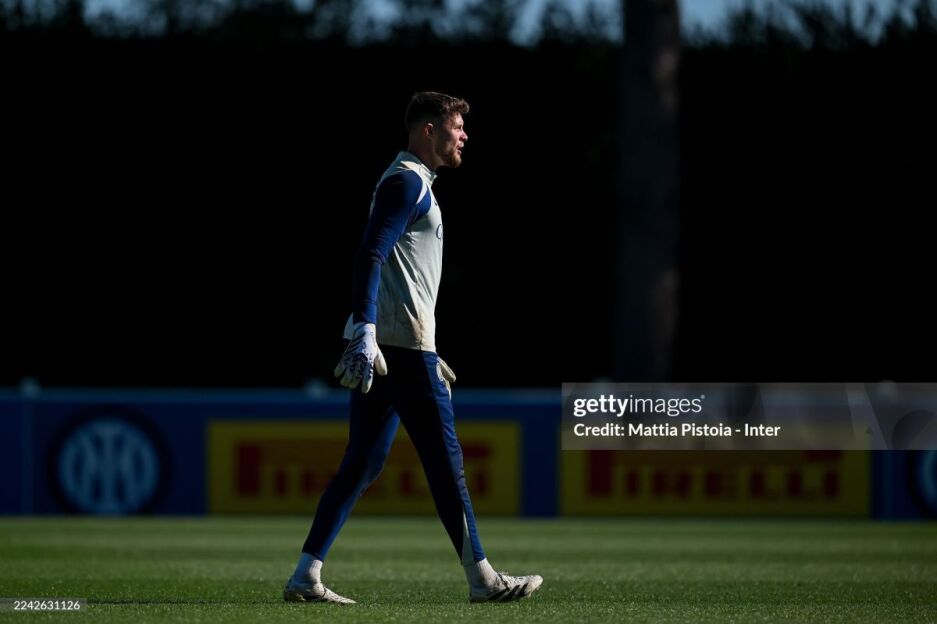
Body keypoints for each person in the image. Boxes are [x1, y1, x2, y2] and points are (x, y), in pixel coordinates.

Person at [283, 92, 543, 604]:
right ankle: (483, 580)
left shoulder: (411, 181)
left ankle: (306, 575)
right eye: (457, 126)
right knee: (446, 464)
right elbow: (370, 254)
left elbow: (393, 269)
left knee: (363, 463)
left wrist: (389, 333)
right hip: (398, 350)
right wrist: (368, 328)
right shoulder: (406, 181)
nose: (464, 135)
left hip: (395, 345)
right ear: (428, 129)